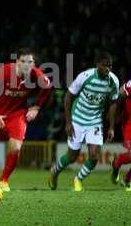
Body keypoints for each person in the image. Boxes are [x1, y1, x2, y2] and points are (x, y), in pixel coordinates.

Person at [0, 48, 51, 192]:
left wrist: (36, 107)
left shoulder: (36, 75)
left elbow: (48, 87)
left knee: (16, 147)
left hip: (17, 114)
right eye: (24, 61)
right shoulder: (4, 72)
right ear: (17, 62)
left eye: (30, 62)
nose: (27, 65)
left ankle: (3, 180)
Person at [49, 52, 119, 192]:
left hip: (95, 121)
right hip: (78, 119)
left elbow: (113, 103)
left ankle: (78, 179)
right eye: (105, 66)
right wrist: (68, 122)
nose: (108, 69)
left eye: (110, 66)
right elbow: (68, 97)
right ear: (97, 65)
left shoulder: (113, 81)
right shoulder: (85, 76)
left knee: (94, 156)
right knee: (72, 156)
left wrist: (111, 127)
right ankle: (54, 172)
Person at [111, 79, 131, 191]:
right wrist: (118, 112)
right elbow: (121, 93)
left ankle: (127, 180)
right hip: (129, 123)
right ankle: (117, 162)